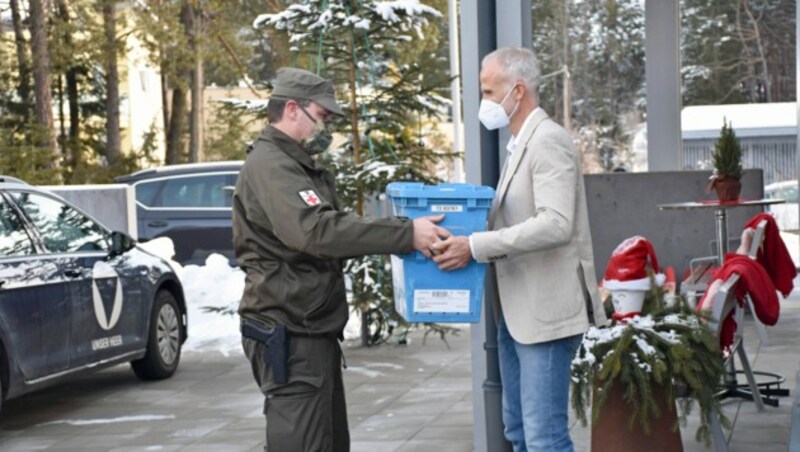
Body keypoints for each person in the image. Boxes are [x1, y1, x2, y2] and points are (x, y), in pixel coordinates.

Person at [232, 67, 449, 452]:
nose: (325, 125)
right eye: (322, 115)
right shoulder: (272, 166)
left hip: (306, 327)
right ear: (293, 109)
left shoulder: (289, 162)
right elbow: (316, 231)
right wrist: (405, 234)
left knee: (327, 442)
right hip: (290, 329)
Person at [432, 47, 607, 452]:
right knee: (519, 432)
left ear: (519, 90)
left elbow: (556, 223)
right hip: (516, 313)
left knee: (545, 437)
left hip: (544, 315)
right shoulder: (520, 143)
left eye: (490, 92)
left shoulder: (548, 141)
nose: (485, 103)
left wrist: (475, 246)